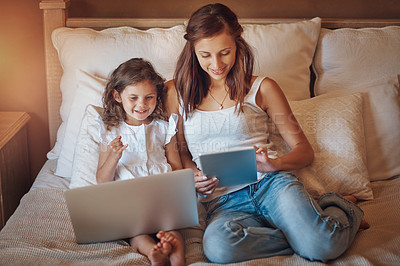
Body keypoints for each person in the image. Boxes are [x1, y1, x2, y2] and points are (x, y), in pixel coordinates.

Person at [165, 3, 367, 264]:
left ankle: (339, 207)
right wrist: (192, 175)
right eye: (205, 55)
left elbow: (304, 151)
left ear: (238, 44)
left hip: (271, 185)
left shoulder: (262, 88)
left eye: (225, 52)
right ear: (191, 50)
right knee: (219, 249)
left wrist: (277, 163)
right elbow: (179, 154)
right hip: (223, 201)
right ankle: (306, 230)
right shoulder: (175, 93)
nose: (216, 64)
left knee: (322, 246)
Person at [96, 58, 184, 266]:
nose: (142, 105)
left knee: (174, 232)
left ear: (157, 96)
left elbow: (177, 167)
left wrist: (173, 191)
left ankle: (177, 256)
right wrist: (113, 156)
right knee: (137, 235)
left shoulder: (164, 128)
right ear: (117, 96)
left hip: (161, 199)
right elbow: (102, 180)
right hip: (130, 205)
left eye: (149, 97)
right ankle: (154, 253)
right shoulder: (110, 131)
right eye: (133, 98)